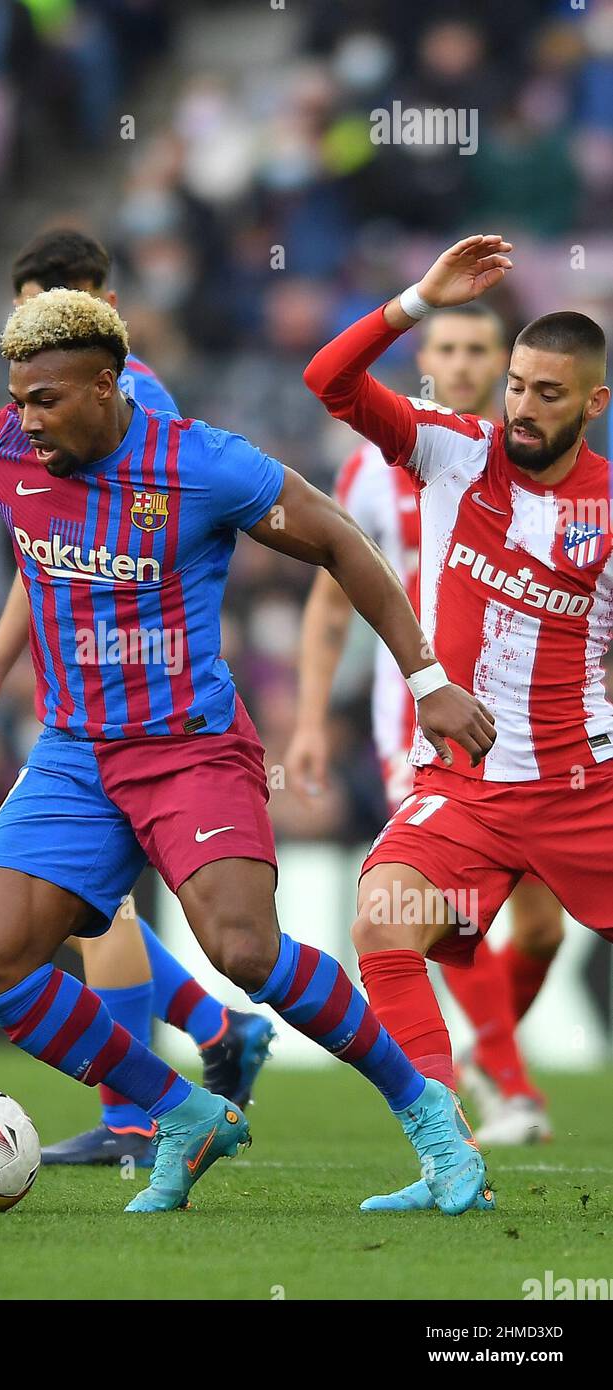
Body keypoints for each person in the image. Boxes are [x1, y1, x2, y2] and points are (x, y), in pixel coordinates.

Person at [0, 287, 496, 1214]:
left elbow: (343, 545)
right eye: (17, 398)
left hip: (188, 750)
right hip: (76, 755)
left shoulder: (199, 463)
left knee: (243, 951)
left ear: (109, 386)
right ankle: (182, 1113)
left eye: (46, 400)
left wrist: (427, 677)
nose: (25, 419)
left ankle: (434, 1126)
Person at [0, 228, 275, 1168]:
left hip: (149, 702)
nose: (33, 316)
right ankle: (212, 1033)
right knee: (74, 919)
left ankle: (138, 1114)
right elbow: (43, 549)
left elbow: (133, 539)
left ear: (100, 305)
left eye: (55, 295)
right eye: (22, 298)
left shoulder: (126, 400)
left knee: (98, 915)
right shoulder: (40, 405)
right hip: (80, 699)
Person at [303, 233, 613, 1211]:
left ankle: (497, 1073)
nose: (520, 405)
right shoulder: (451, 451)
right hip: (467, 784)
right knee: (383, 919)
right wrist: (415, 302)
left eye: (547, 394)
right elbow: (329, 379)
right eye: (517, 384)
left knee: (531, 939)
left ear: (593, 404)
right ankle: (450, 1155)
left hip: (584, 779)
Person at [288, 302, 560, 1147]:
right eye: (448, 346)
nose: (465, 361)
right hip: (422, 724)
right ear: (427, 361)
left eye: (482, 348)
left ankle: (483, 1054)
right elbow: (332, 598)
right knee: (438, 909)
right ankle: (499, 1089)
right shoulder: (382, 467)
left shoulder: (547, 470)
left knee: (542, 927)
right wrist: (305, 719)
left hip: (540, 732)